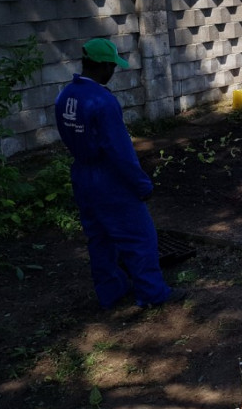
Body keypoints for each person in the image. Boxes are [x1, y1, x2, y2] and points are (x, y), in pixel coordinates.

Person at [55, 38, 186, 309]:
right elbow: (119, 151)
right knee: (140, 237)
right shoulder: (103, 101)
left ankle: (111, 292)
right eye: (112, 66)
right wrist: (141, 184)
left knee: (100, 238)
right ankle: (152, 294)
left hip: (82, 175)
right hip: (109, 180)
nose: (113, 72)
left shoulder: (65, 96)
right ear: (102, 65)